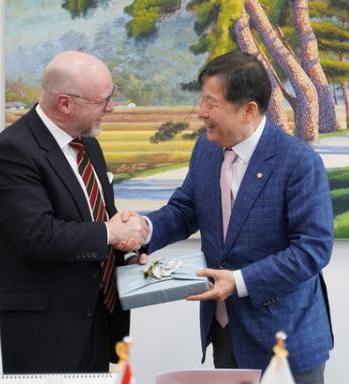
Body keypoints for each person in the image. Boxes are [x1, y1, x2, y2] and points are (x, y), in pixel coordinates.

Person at [138, 51, 334, 384]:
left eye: (211, 103)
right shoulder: (206, 148)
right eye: (202, 99)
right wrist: (144, 229)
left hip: (285, 336)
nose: (201, 112)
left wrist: (239, 281)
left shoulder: (299, 162)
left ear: (248, 110)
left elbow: (312, 249)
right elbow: (186, 209)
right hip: (226, 330)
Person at [0, 51, 148, 373]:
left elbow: (101, 218)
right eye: (103, 101)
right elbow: (37, 236)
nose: (111, 108)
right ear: (65, 104)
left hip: (95, 322)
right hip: (42, 333)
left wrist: (126, 250)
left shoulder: (87, 145)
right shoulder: (12, 151)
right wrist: (111, 232)